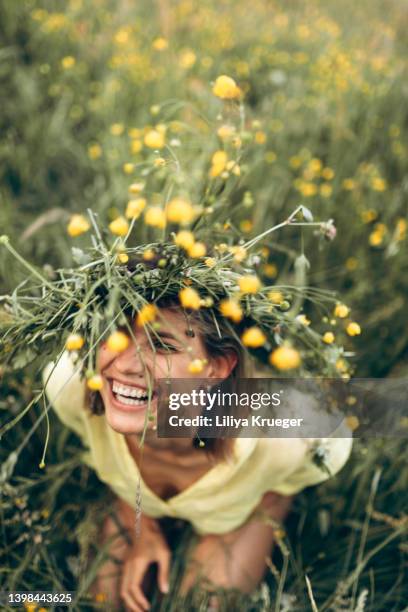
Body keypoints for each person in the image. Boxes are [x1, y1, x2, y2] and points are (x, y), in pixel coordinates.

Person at [43, 300, 353, 611]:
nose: (126, 365)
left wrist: (269, 495)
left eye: (161, 345)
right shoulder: (69, 387)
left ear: (217, 367)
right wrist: (139, 523)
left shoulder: (293, 437)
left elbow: (328, 448)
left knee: (202, 605)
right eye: (115, 335)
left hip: (243, 505)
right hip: (134, 497)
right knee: (103, 603)